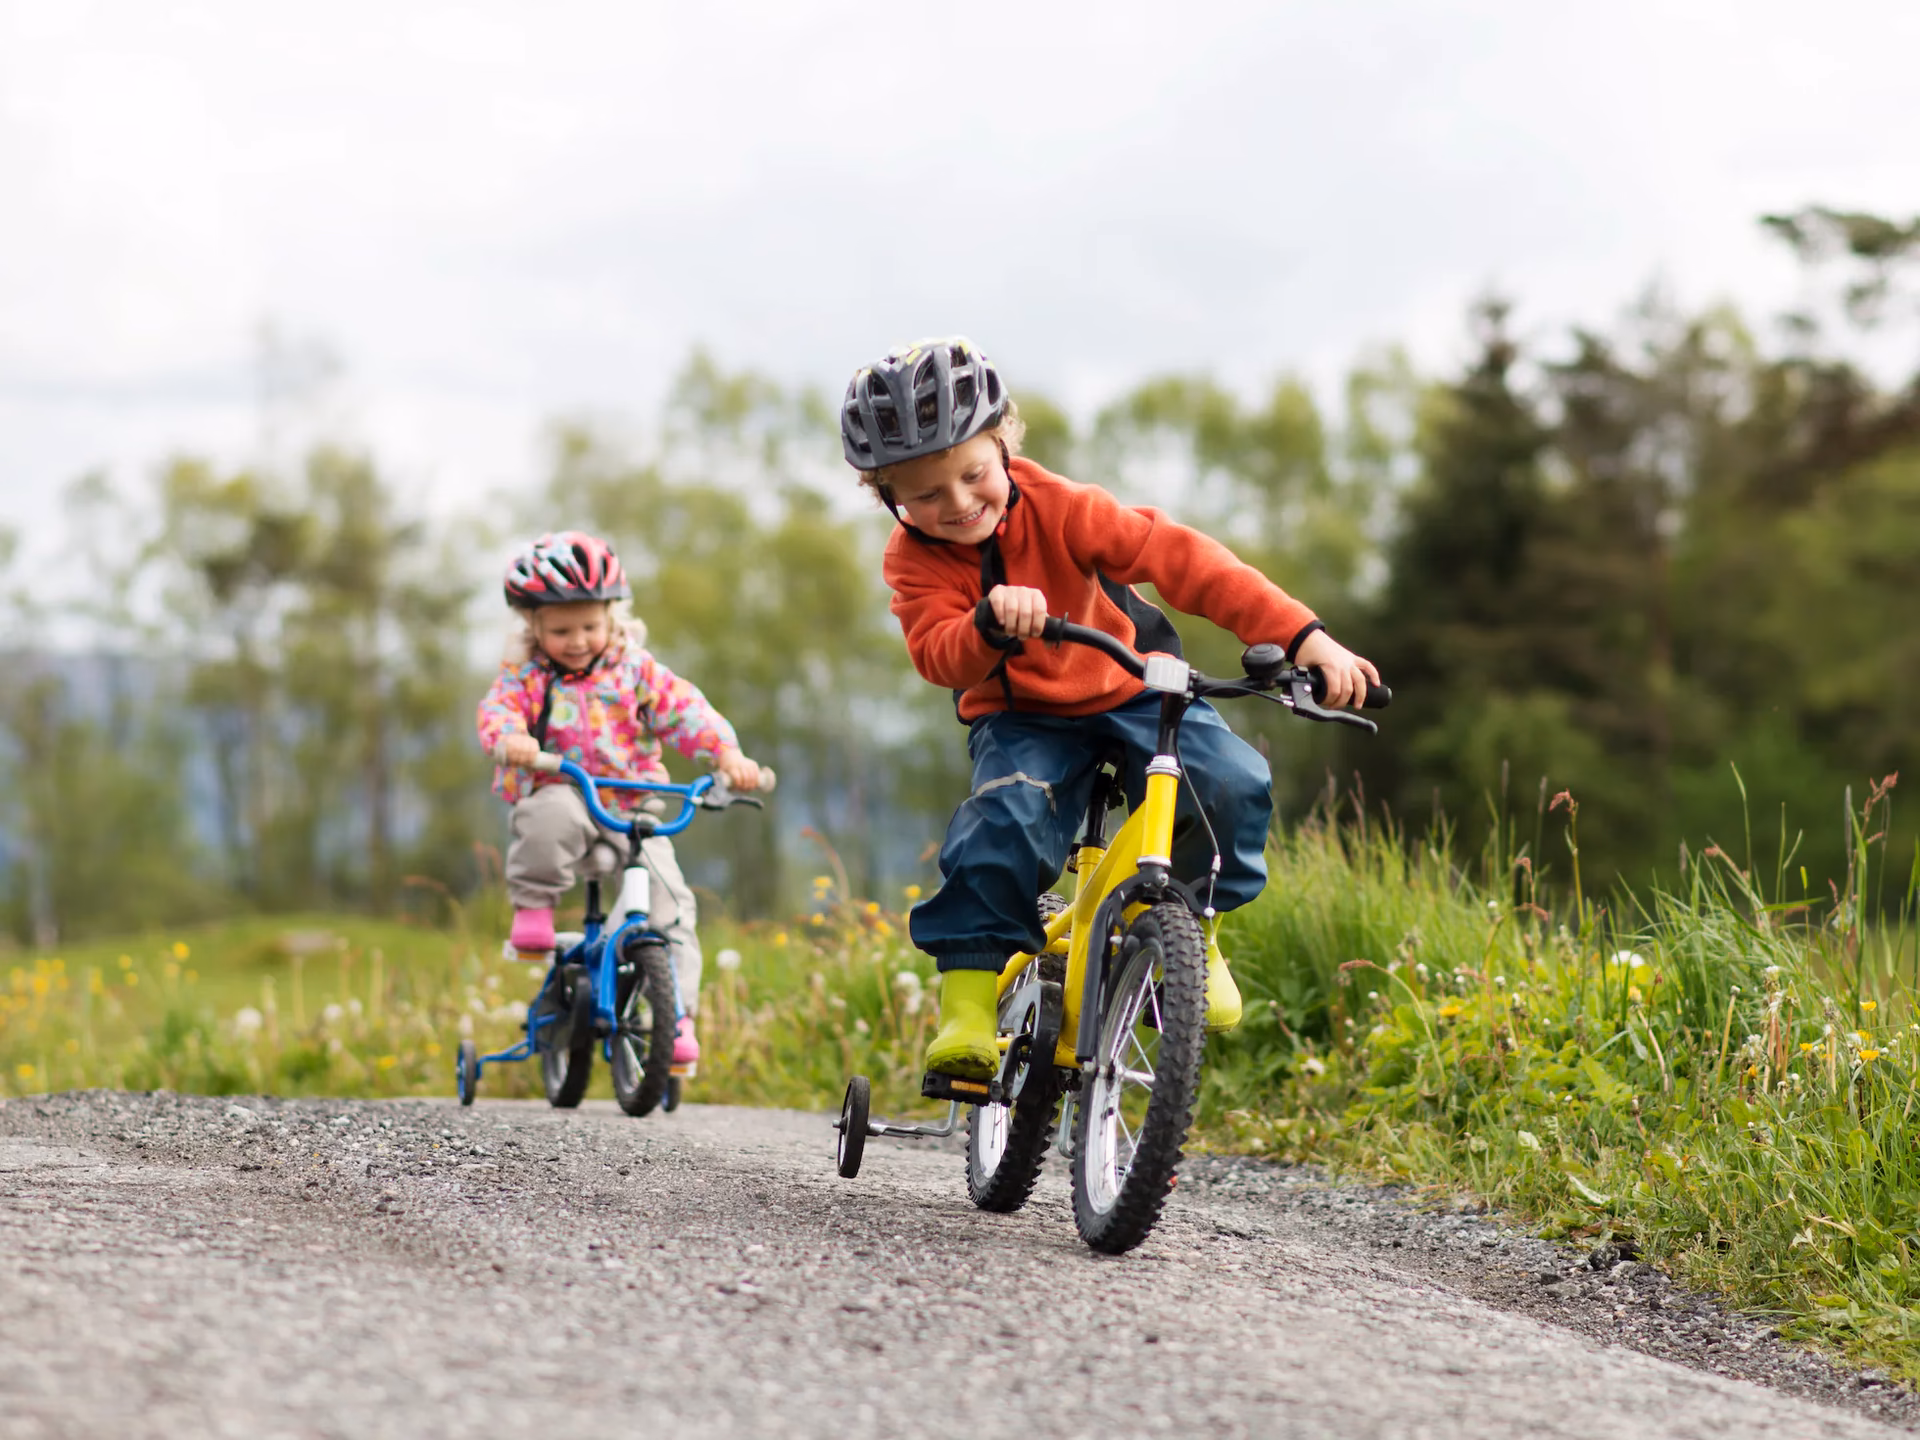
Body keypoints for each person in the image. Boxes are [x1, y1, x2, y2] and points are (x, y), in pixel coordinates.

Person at [843, 338, 1381, 1080]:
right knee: (1003, 818)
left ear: (1004, 446)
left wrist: (1302, 635)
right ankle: (967, 1002)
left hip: (1127, 688)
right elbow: (938, 655)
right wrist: (986, 626)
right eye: (927, 496)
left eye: (974, 476)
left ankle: (1190, 929)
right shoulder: (915, 560)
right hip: (1021, 715)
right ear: (890, 498)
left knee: (1226, 779)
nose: (960, 504)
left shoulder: (1065, 508)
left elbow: (1187, 562)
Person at [475, 531, 767, 1066]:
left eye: (590, 625)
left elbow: (685, 711)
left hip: (632, 806)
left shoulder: (635, 671)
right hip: (561, 790)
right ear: (533, 626)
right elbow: (499, 712)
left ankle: (674, 1013)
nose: (579, 639)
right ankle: (534, 904)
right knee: (551, 816)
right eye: (561, 630)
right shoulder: (528, 676)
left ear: (613, 615)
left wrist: (725, 754)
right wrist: (511, 739)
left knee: (672, 906)